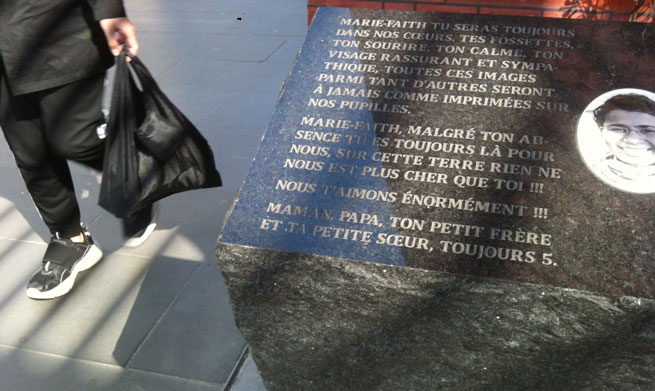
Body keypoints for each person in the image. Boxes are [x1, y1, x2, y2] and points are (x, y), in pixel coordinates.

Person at [0, 0, 155, 300]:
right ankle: (71, 239)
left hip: (58, 30)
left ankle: (133, 178)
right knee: (30, 153)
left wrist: (110, 11)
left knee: (74, 138)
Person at [592, 93, 655, 186]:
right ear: (602, 131)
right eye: (618, 129)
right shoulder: (590, 171)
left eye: (647, 130)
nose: (633, 140)